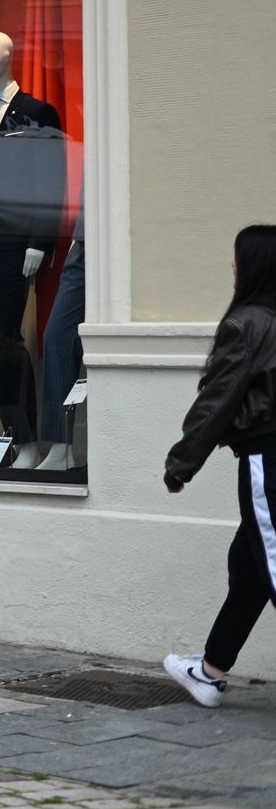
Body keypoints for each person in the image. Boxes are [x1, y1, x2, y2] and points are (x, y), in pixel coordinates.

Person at [162, 225, 276, 708]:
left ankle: (209, 670)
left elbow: (217, 403)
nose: (232, 267)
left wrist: (180, 465)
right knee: (250, 565)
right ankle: (209, 671)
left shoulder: (247, 324)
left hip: (266, 461)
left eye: (237, 259)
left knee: (269, 560)